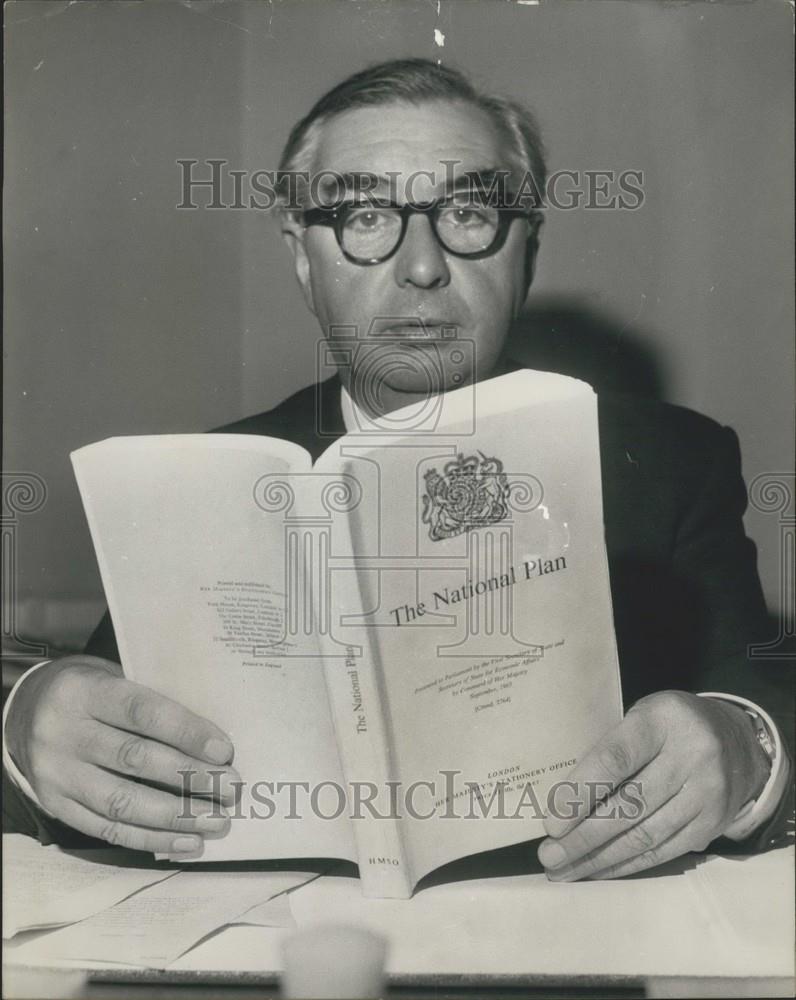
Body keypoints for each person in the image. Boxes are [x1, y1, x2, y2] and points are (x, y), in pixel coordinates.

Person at [3, 59, 791, 882]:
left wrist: (745, 748)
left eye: (468, 211)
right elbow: (88, 750)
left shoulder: (672, 464)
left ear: (527, 251)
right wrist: (27, 729)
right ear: (303, 258)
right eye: (367, 215)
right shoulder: (197, 488)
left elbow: (761, 693)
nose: (422, 267)